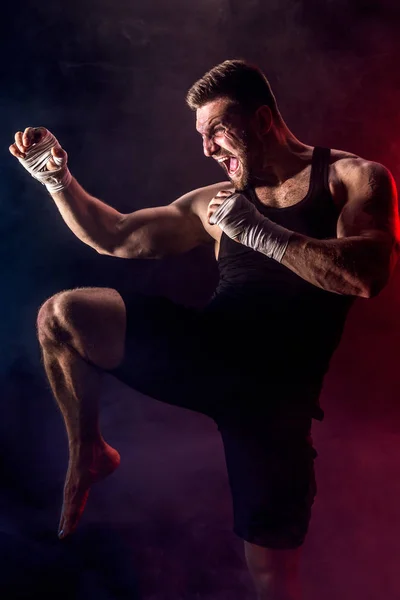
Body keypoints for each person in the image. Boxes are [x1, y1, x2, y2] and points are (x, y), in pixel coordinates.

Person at [9, 59, 399, 600]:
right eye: (201, 135)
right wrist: (58, 180)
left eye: (217, 129)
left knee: (273, 579)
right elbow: (116, 236)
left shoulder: (352, 177)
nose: (208, 148)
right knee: (62, 316)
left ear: (263, 120)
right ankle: (89, 450)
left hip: (276, 403)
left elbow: (366, 276)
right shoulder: (214, 203)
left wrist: (263, 234)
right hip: (211, 355)